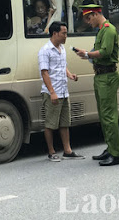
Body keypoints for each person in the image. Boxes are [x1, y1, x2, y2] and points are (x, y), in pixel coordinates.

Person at [74, 4, 119, 166]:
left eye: (88, 18)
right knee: (104, 115)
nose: (87, 22)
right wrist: (87, 54)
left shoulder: (108, 30)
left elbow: (105, 52)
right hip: (101, 75)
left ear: (95, 14)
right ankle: (110, 148)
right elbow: (99, 52)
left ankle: (115, 154)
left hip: (107, 76)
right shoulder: (101, 30)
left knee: (109, 116)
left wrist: (87, 54)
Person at [38, 21, 84, 162]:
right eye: (63, 33)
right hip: (52, 92)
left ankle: (67, 150)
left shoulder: (62, 48)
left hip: (64, 91)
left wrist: (70, 75)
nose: (66, 36)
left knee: (65, 123)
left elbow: (62, 66)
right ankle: (51, 152)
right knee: (51, 123)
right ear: (55, 33)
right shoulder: (45, 50)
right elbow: (45, 73)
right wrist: (52, 92)